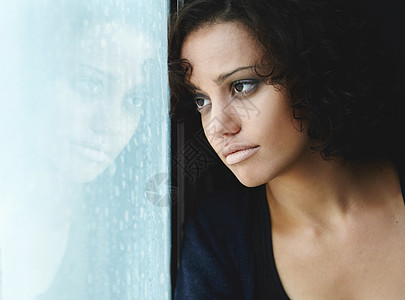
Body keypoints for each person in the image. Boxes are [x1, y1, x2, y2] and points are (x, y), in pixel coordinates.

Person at [169, 0, 405, 298]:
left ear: (308, 73)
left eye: (242, 86)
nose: (218, 126)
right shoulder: (218, 239)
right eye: (202, 100)